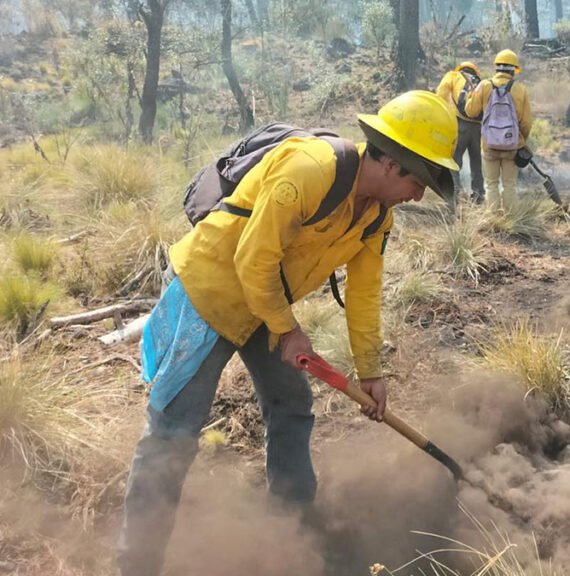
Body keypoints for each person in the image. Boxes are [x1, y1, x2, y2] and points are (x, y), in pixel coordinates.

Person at [117, 91, 459, 576]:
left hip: (264, 307)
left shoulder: (377, 214)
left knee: (291, 407)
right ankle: (136, 564)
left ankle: (294, 526)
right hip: (209, 295)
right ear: (392, 164)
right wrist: (289, 331)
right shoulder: (309, 170)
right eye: (420, 181)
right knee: (173, 435)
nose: (419, 195)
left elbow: (364, 294)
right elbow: (252, 260)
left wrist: (371, 371)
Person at [464, 49, 532, 209]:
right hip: (512, 145)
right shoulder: (520, 89)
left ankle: (493, 218)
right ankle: (512, 220)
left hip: (489, 145)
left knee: (491, 184)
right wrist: (521, 142)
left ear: (496, 67)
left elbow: (470, 111)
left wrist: (471, 94)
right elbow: (526, 122)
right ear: (514, 70)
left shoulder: (484, 85)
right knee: (509, 185)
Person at [436, 61, 484, 203]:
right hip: (477, 126)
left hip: (460, 124)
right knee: (476, 160)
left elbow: (441, 93)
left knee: (455, 160)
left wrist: (443, 115)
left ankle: (455, 192)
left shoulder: (453, 75)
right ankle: (478, 194)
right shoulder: (480, 83)